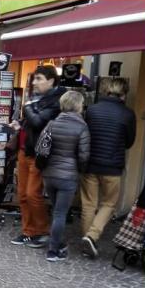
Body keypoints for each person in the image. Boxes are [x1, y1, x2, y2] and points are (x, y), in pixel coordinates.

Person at [9, 65, 67, 248]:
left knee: (33, 194)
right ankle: (28, 231)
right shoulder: (37, 99)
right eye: (34, 79)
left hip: (39, 153)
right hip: (25, 149)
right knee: (22, 194)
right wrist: (20, 124)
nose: (34, 83)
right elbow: (31, 122)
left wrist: (27, 108)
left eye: (39, 79)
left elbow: (38, 120)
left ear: (51, 80)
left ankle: (42, 231)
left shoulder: (58, 100)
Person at [80, 78, 137, 259]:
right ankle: (92, 235)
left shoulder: (92, 110)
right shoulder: (128, 114)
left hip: (90, 164)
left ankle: (86, 240)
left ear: (106, 91)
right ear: (124, 93)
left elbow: (85, 135)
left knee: (89, 203)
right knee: (109, 204)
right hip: (113, 167)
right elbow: (129, 142)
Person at [41, 91, 91, 262]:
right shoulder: (82, 127)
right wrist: (80, 171)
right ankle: (53, 251)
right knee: (60, 213)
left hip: (50, 174)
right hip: (68, 176)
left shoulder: (51, 124)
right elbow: (84, 156)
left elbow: (41, 149)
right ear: (78, 105)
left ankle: (59, 244)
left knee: (57, 212)